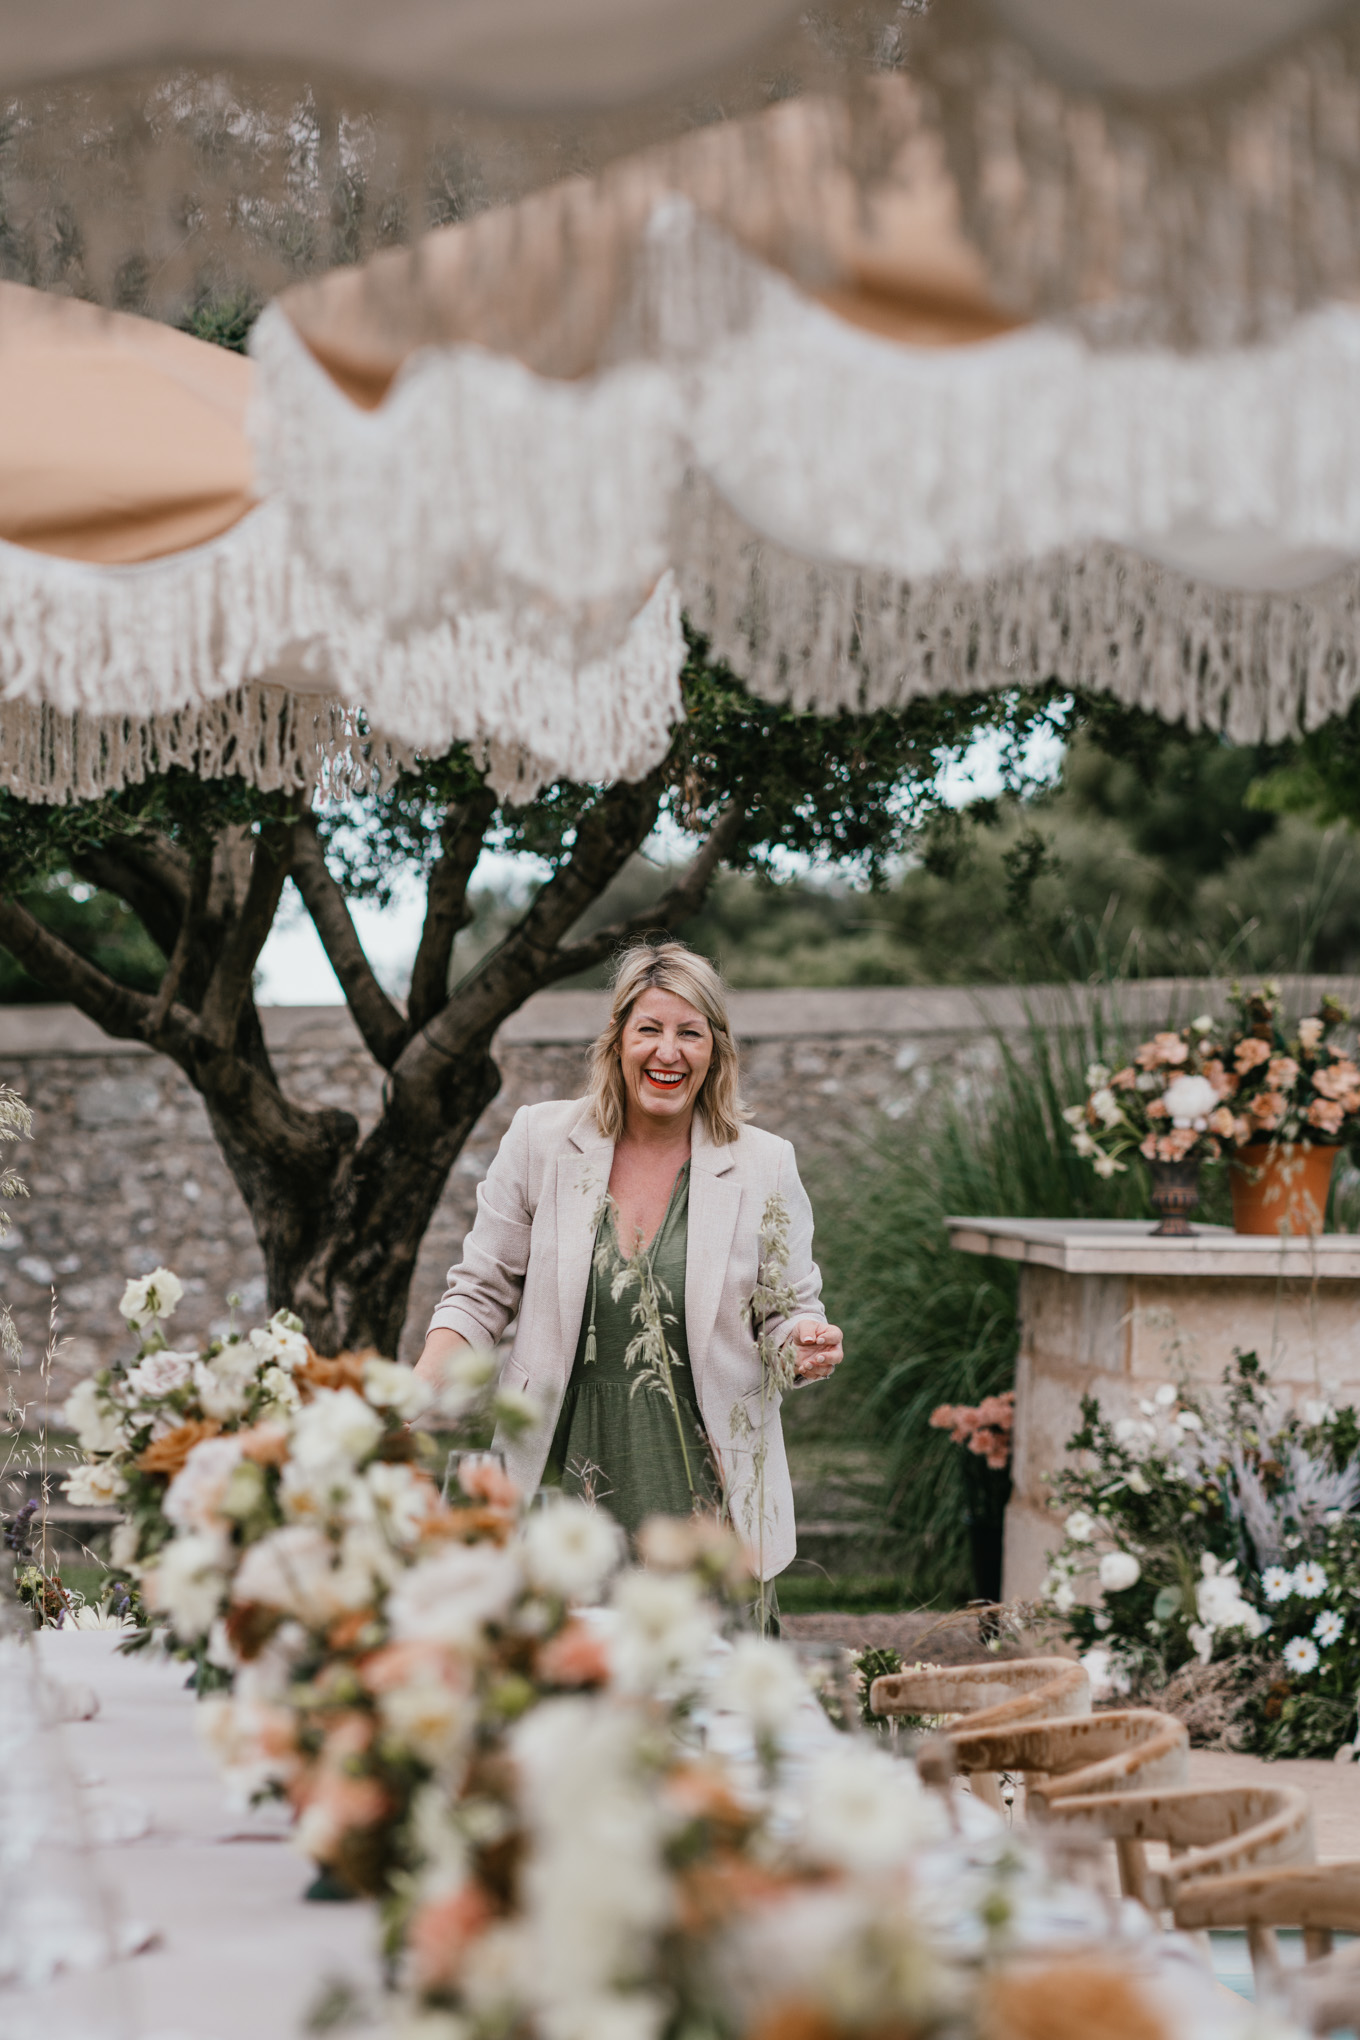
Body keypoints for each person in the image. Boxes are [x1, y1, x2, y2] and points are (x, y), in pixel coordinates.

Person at [415, 940, 843, 1584]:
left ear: (715, 1051)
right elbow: (480, 1293)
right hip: (556, 1468)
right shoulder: (540, 1140)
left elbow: (785, 1314)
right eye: (650, 1029)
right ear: (618, 1040)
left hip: (704, 1485)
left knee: (700, 1676)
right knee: (558, 1674)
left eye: (690, 1033)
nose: (668, 1052)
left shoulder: (765, 1165)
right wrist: (412, 1393)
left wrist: (801, 1344)